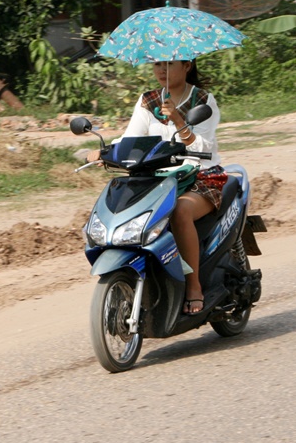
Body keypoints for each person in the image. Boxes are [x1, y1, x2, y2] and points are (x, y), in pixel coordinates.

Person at [86, 59, 227, 315]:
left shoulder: (203, 100)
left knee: (180, 212)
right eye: (157, 64)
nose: (162, 70)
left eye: (170, 64)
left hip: (200, 175)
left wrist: (178, 119)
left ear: (187, 66)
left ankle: (193, 286)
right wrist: (106, 151)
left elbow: (203, 146)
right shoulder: (148, 100)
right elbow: (131, 138)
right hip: (158, 177)